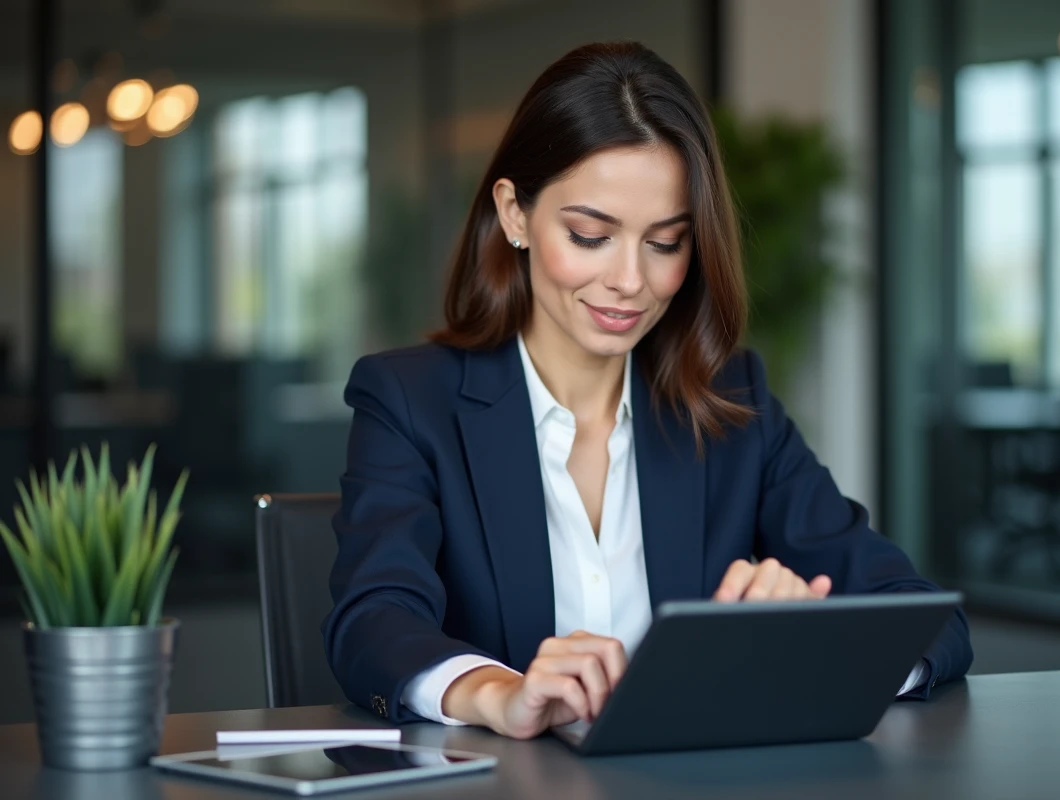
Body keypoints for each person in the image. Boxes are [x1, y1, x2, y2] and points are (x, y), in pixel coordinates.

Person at [322, 41, 972, 741]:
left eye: (665, 243)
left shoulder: (732, 404)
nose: (630, 280)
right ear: (514, 214)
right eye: (590, 235)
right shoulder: (410, 399)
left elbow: (925, 617)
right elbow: (373, 621)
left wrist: (813, 646)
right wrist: (496, 692)